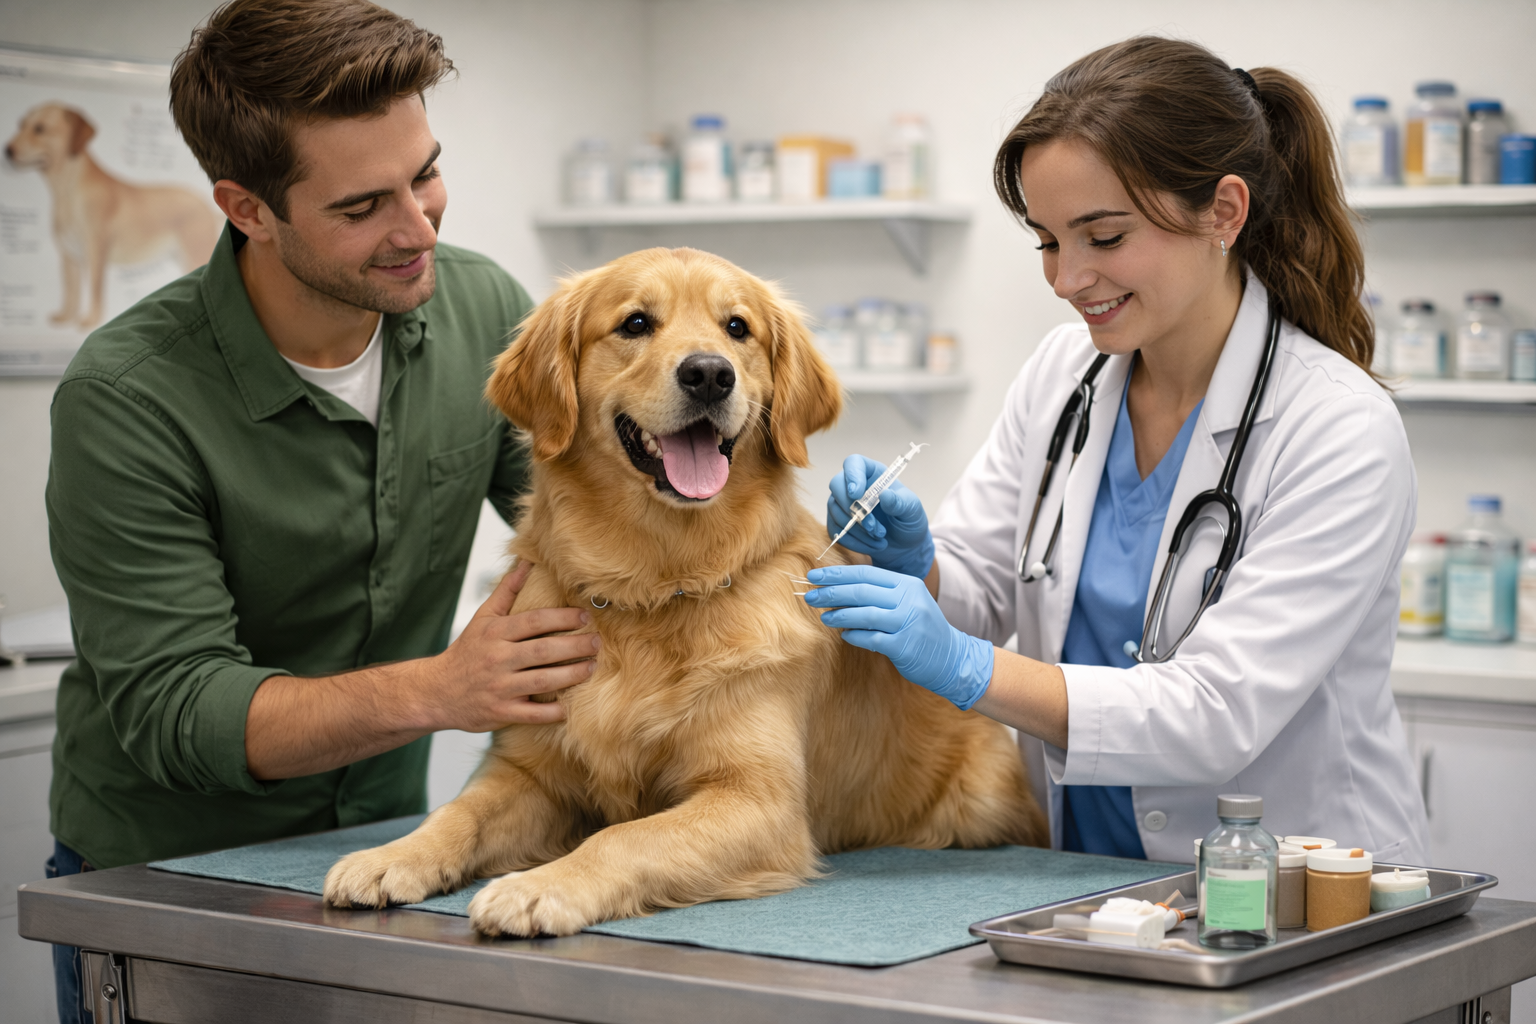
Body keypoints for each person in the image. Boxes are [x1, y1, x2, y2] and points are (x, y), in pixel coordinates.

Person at [42, 2, 596, 1020]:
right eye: (362, 207)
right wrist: (442, 689)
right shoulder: (128, 397)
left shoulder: (480, 311)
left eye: (426, 172)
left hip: (381, 853)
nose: (419, 227)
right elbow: (180, 708)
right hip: (167, 878)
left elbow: (594, 525)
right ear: (247, 207)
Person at [804, 37, 1429, 867]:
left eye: (1102, 236)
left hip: (1295, 887)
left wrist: (964, 666)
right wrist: (921, 571)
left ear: (1225, 212)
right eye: (1048, 241)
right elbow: (985, 585)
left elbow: (1212, 713)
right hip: (1081, 876)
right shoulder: (1063, 376)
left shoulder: (1337, 428)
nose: (1067, 278)